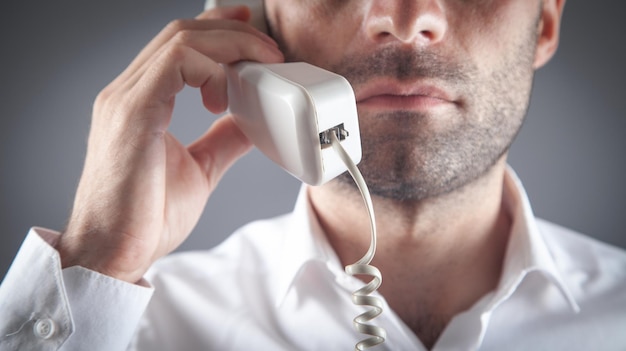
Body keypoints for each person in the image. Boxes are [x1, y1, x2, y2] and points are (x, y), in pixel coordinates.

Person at [1, 0, 625, 350]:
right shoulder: (136, 332)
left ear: (543, 23)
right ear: (247, 26)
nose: (408, 20)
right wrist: (98, 261)